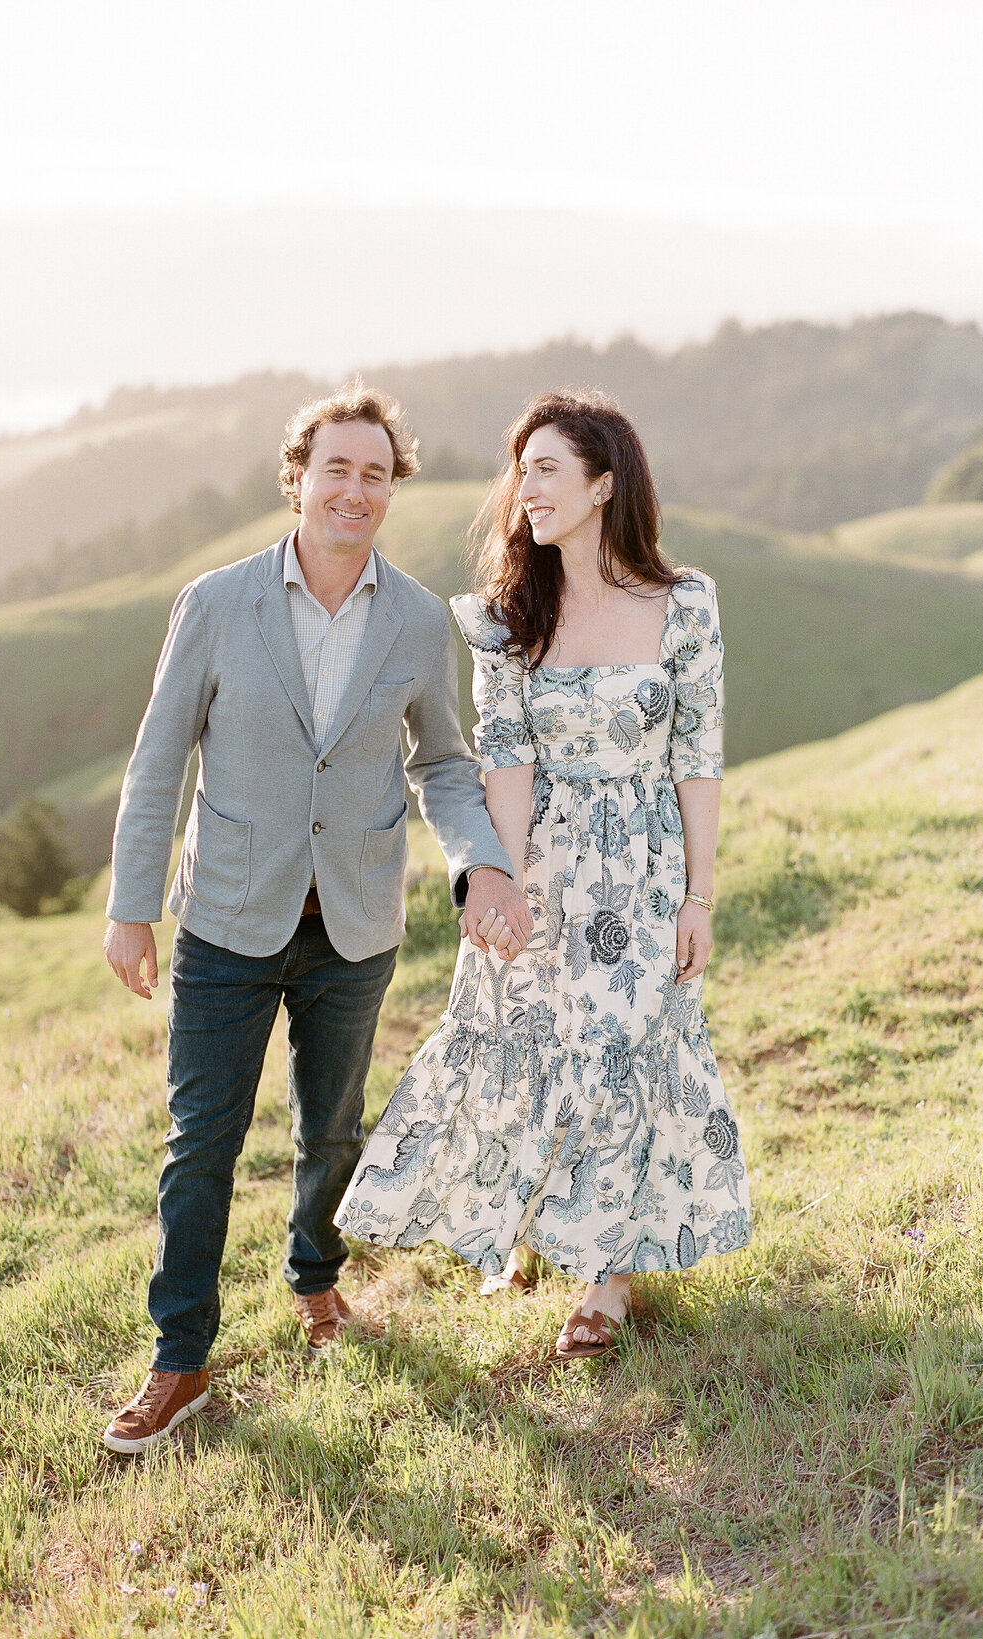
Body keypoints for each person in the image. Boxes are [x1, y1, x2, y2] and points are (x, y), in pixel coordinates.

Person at [100, 384, 528, 1453]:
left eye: (375, 473)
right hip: (225, 920)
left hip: (355, 919)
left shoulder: (420, 618)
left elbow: (441, 762)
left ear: (393, 488)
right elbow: (157, 768)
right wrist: (131, 908)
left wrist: (480, 864)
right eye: (335, 468)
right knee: (202, 1140)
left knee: (333, 1126)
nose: (355, 488)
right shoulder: (215, 602)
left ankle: (313, 1277)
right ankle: (181, 1358)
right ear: (298, 479)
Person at [335, 390, 751, 1360]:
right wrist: (500, 883)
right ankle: (527, 1222)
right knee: (524, 1041)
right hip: (550, 868)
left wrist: (699, 896)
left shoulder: (684, 604)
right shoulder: (506, 618)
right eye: (521, 469)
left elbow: (700, 756)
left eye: (549, 467)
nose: (527, 487)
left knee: (621, 1053)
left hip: (645, 872)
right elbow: (506, 764)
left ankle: (607, 1278)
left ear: (606, 484)